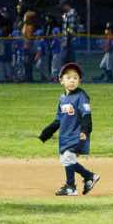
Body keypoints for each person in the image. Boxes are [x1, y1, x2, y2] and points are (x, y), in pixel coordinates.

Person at [38, 61, 100, 196]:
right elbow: (58, 119)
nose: (72, 81)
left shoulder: (81, 96)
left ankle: (71, 187)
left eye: (75, 78)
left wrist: (85, 130)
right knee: (66, 159)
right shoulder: (62, 98)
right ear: (61, 80)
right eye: (68, 77)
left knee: (67, 158)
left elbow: (86, 115)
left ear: (79, 81)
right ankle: (89, 176)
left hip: (77, 134)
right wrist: (47, 132)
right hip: (65, 135)